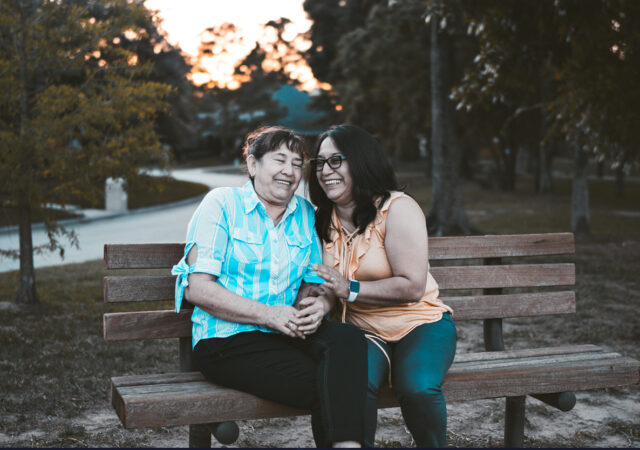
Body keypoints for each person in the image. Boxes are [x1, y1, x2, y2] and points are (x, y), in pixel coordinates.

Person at [171, 126, 367, 448]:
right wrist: (268, 314)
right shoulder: (222, 204)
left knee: (348, 339)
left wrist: (315, 305)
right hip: (226, 342)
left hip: (284, 334)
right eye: (280, 160)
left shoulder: (305, 214)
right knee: (333, 383)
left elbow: (313, 282)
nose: (289, 171)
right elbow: (197, 288)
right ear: (253, 164)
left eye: (297, 163)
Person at [308, 124, 457, 448]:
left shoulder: (397, 208)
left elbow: (412, 286)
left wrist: (350, 289)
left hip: (419, 324)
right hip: (361, 331)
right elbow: (325, 283)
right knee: (348, 386)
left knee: (417, 387)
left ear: (361, 161)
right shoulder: (319, 219)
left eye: (336, 160)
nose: (325, 170)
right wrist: (320, 300)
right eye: (320, 162)